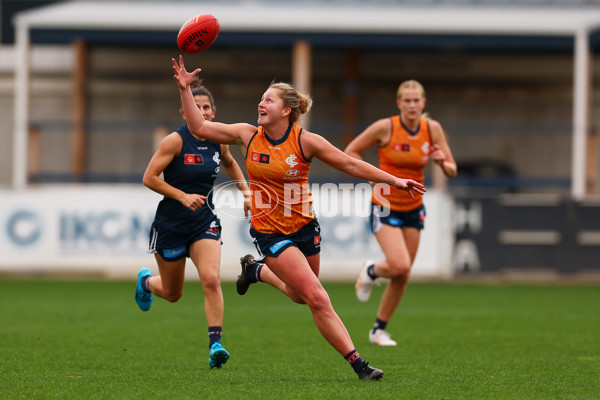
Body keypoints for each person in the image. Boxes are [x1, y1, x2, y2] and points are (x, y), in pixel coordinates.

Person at [171, 55, 426, 381]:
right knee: (318, 297)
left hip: (305, 227)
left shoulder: (305, 141)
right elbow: (199, 126)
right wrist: (184, 90)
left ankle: (255, 270)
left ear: (286, 110)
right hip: (269, 232)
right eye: (261, 98)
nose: (260, 104)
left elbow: (349, 164)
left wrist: (393, 180)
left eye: (268, 100)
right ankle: (359, 365)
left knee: (299, 295)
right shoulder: (247, 136)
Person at [134, 78, 251, 369]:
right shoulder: (174, 141)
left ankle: (216, 345)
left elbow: (230, 162)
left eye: (207, 107)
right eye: (195, 106)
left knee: (211, 279)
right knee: (173, 294)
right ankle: (147, 283)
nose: (202, 111)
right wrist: (182, 196)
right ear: (184, 112)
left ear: (213, 111)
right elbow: (149, 178)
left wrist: (247, 192)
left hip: (204, 221)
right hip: (172, 224)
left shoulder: (218, 139)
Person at [344, 79, 457, 346]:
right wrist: (372, 176)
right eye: (407, 100)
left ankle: (378, 330)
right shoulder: (386, 127)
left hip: (414, 206)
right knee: (399, 264)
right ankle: (371, 270)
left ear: (423, 104)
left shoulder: (433, 129)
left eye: (416, 100)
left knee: (403, 274)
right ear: (399, 104)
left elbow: (452, 169)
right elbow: (351, 152)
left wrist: (442, 162)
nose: (412, 105)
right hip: (384, 203)